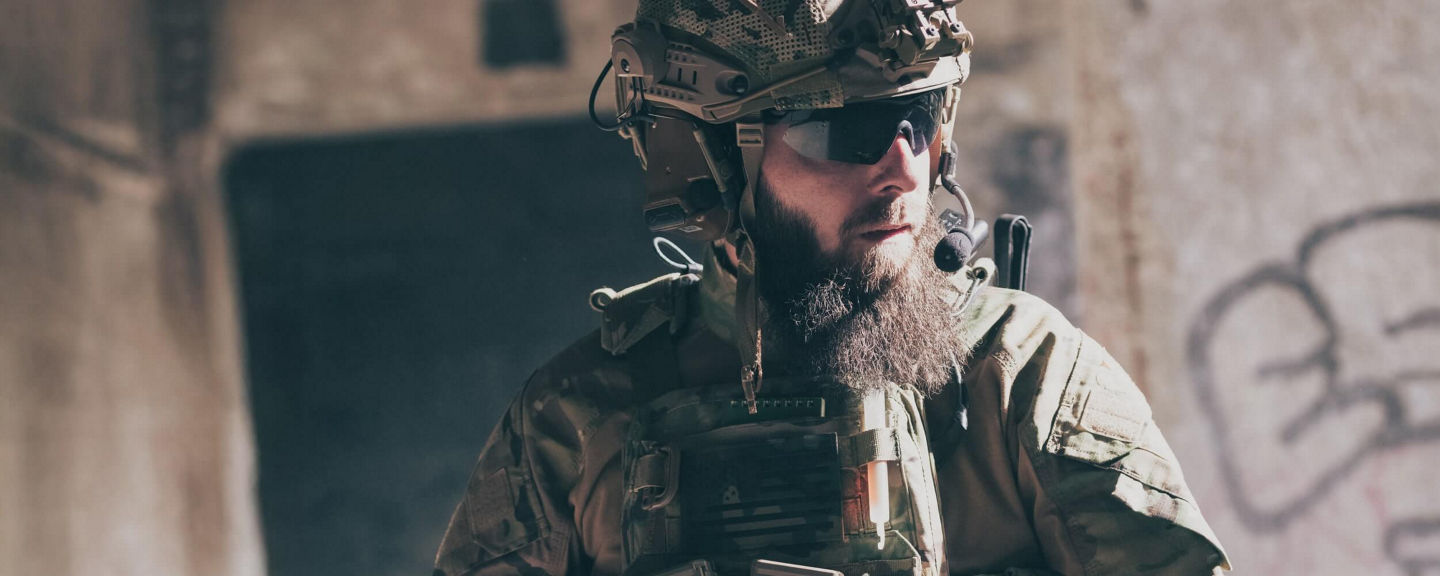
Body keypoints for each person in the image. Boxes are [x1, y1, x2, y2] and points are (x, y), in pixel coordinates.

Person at [435, 1, 1230, 574]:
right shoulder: (576, 418)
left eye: (918, 117)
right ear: (714, 160)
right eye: (843, 130)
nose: (903, 168)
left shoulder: (1023, 375)